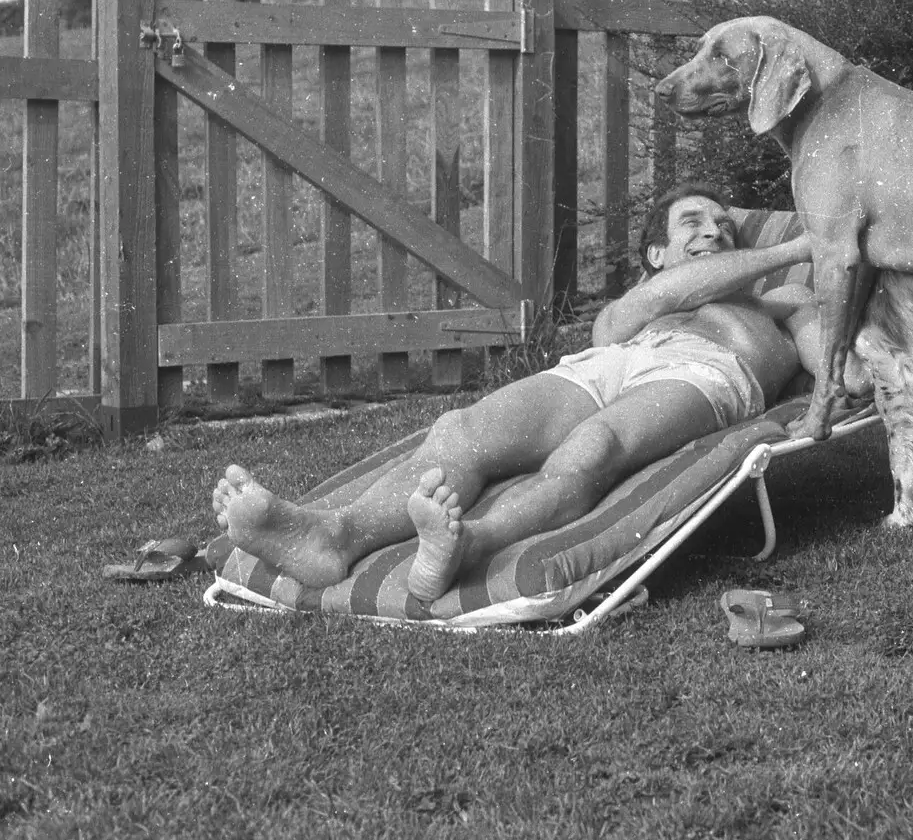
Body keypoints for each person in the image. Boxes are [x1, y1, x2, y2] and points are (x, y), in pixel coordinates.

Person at [211, 182, 818, 602]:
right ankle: (331, 535)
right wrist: (796, 247)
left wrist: (833, 388)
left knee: (593, 444)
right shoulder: (633, 307)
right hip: (612, 362)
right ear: (655, 254)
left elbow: (833, 357)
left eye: (725, 227)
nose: (715, 231)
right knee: (459, 431)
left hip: (707, 371)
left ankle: (467, 545)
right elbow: (664, 297)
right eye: (694, 222)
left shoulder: (778, 302)